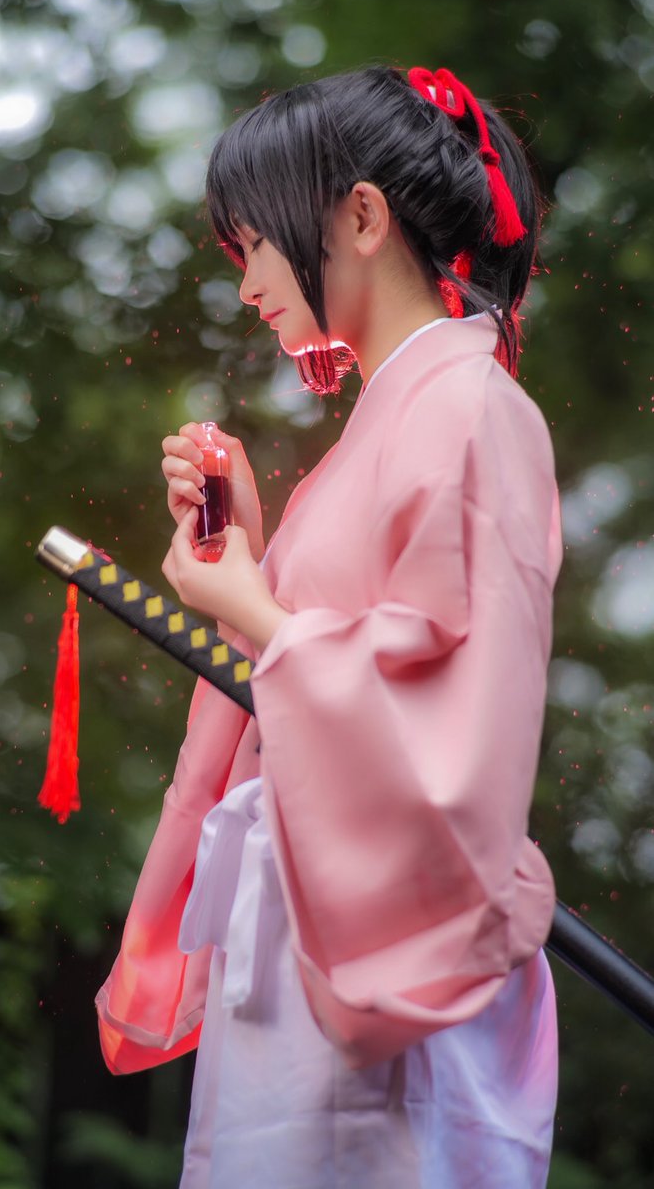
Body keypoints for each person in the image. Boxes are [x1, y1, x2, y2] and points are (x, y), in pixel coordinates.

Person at [94, 65, 562, 1187]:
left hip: (385, 939)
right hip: (312, 913)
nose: (247, 282)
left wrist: (249, 604)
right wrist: (247, 562)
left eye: (257, 243)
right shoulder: (402, 414)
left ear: (360, 216)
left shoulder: (468, 408)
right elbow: (349, 664)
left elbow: (450, 731)